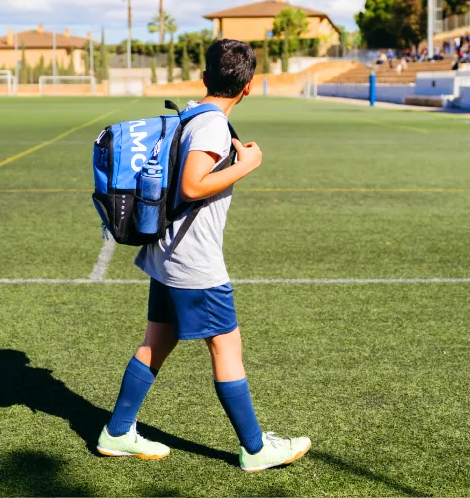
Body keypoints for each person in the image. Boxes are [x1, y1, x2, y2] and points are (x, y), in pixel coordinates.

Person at [96, 39, 310, 472]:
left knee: (157, 342)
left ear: (206, 77)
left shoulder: (192, 113)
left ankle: (117, 431)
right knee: (226, 346)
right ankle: (255, 448)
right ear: (248, 87)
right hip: (193, 261)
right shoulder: (211, 125)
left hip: (168, 252)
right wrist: (246, 165)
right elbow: (193, 185)